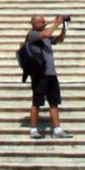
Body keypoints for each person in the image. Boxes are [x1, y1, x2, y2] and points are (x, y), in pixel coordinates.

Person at [19, 13, 68, 141]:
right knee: (37, 102)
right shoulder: (33, 34)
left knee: (54, 102)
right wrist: (56, 23)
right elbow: (45, 34)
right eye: (41, 22)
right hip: (40, 74)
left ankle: (57, 128)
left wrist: (64, 27)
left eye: (44, 21)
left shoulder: (45, 34)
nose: (44, 23)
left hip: (51, 73)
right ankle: (33, 129)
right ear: (34, 24)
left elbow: (59, 39)